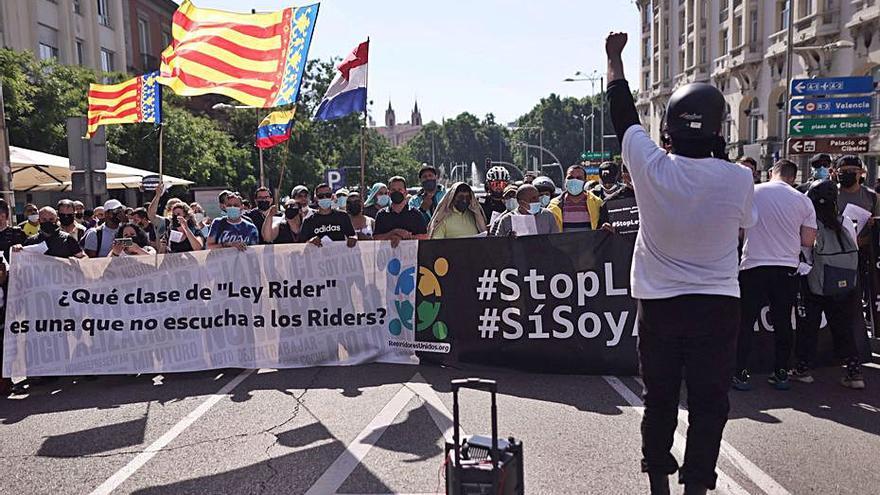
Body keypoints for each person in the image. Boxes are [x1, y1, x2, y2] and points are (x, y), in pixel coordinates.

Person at [607, 32, 755, 495]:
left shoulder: (650, 167)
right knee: (711, 403)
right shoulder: (739, 179)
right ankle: (696, 485)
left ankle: (657, 481)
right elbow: (741, 230)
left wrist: (614, 59)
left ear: (668, 128)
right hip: (717, 305)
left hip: (659, 303)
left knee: (660, 400)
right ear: (719, 129)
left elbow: (622, 111)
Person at [733, 159, 817, 392]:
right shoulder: (803, 200)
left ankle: (741, 372)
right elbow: (808, 241)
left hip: (752, 265)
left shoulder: (752, 192)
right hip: (786, 268)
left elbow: (738, 232)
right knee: (782, 322)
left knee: (746, 322)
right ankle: (780, 372)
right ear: (793, 176)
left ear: (772, 172)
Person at [793, 180, 865, 389]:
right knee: (843, 327)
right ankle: (854, 372)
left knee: (809, 326)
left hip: (815, 282)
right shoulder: (845, 222)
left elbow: (805, 250)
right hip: (844, 282)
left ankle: (803, 369)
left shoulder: (810, 223)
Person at [547, 165, 610, 232]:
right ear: (565, 181)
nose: (574, 181)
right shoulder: (554, 206)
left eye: (579, 178)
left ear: (585, 181)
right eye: (570, 178)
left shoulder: (597, 203)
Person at [148, 183, 204, 253]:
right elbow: (151, 215)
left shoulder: (195, 230)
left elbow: (198, 248)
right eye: (174, 214)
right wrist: (157, 195)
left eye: (178, 214)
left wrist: (185, 228)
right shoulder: (168, 228)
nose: (176, 217)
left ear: (186, 216)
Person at [374, 176, 428, 247]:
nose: (396, 192)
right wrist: (393, 233)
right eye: (393, 190)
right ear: (389, 193)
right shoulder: (381, 214)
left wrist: (407, 237)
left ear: (405, 192)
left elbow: (425, 236)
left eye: (400, 190)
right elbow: (376, 238)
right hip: (387, 256)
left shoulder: (415, 214)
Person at [301, 183, 357, 248]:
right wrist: (310, 242)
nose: (325, 198)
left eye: (328, 195)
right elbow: (300, 245)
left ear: (332, 197)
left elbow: (352, 235)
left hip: (338, 256)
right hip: (318, 257)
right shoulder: (308, 222)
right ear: (315, 198)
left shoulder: (343, 216)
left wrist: (353, 239)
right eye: (321, 196)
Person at [490, 184, 559, 237]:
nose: (537, 201)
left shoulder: (547, 215)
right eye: (533, 199)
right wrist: (508, 240)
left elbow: (556, 240)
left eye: (537, 197)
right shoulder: (507, 219)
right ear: (521, 202)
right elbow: (498, 245)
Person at [18, 206, 85, 258]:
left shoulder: (68, 240)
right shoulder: (31, 241)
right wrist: (17, 249)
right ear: (39, 221)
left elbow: (81, 260)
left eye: (51, 219)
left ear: (57, 220)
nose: (48, 222)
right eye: (44, 220)